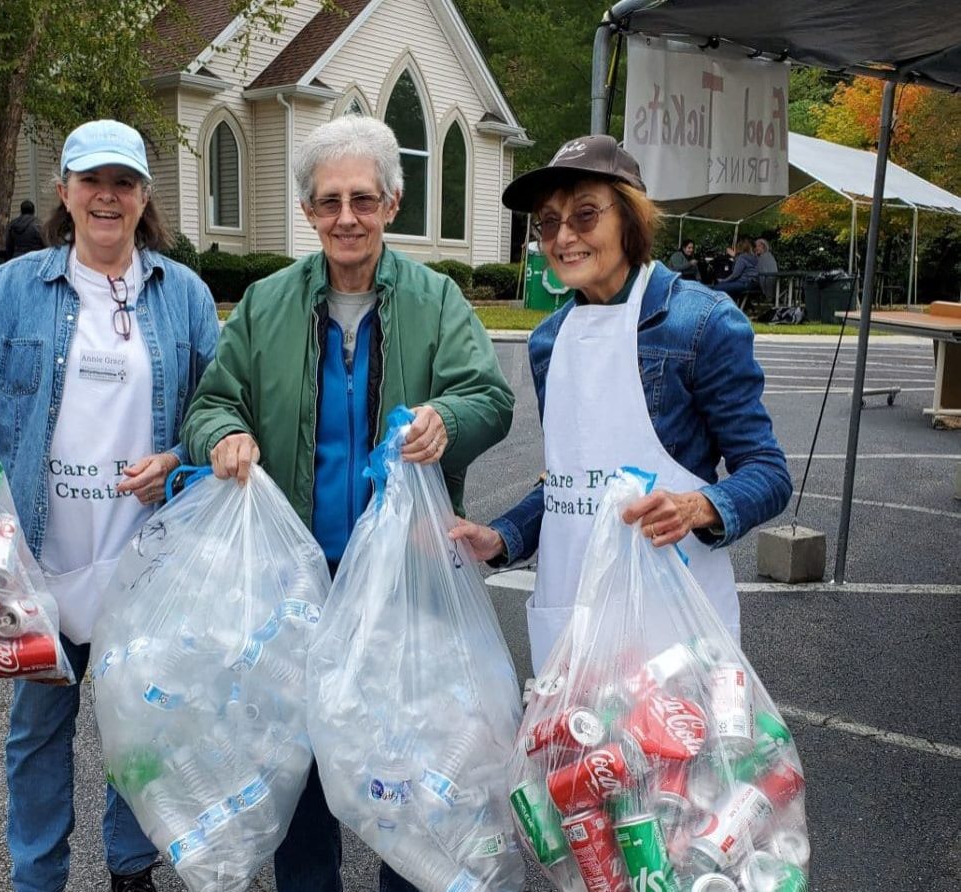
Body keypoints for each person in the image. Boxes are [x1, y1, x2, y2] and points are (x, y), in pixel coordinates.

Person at [0, 119, 219, 892]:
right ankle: (38, 876)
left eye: (122, 182)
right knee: (36, 731)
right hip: (39, 560)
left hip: (143, 558)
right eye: (91, 181)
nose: (106, 197)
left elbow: (217, 404)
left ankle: (130, 866)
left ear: (142, 197)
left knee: (139, 726)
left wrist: (182, 462)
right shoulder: (16, 287)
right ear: (64, 190)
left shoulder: (183, 295)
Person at [180, 115, 514, 892]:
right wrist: (223, 436)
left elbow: (489, 398)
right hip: (292, 589)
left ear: (392, 203)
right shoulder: (265, 306)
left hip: (403, 584)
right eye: (327, 201)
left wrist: (448, 420)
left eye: (362, 199)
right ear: (307, 212)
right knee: (300, 776)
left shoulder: (435, 300)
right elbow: (208, 407)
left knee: (407, 765)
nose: (345, 218)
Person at [449, 134, 792, 675]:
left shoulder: (701, 323)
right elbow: (571, 484)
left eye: (585, 215)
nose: (563, 237)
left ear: (630, 220)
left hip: (669, 624)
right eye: (548, 221)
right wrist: (501, 537)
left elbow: (768, 473)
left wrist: (698, 507)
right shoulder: (548, 342)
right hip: (572, 617)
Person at [717, 237, 759, 302]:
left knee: (718, 288)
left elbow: (735, 274)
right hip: (753, 283)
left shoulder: (742, 257)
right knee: (731, 291)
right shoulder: (753, 257)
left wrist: (723, 281)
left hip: (744, 283)